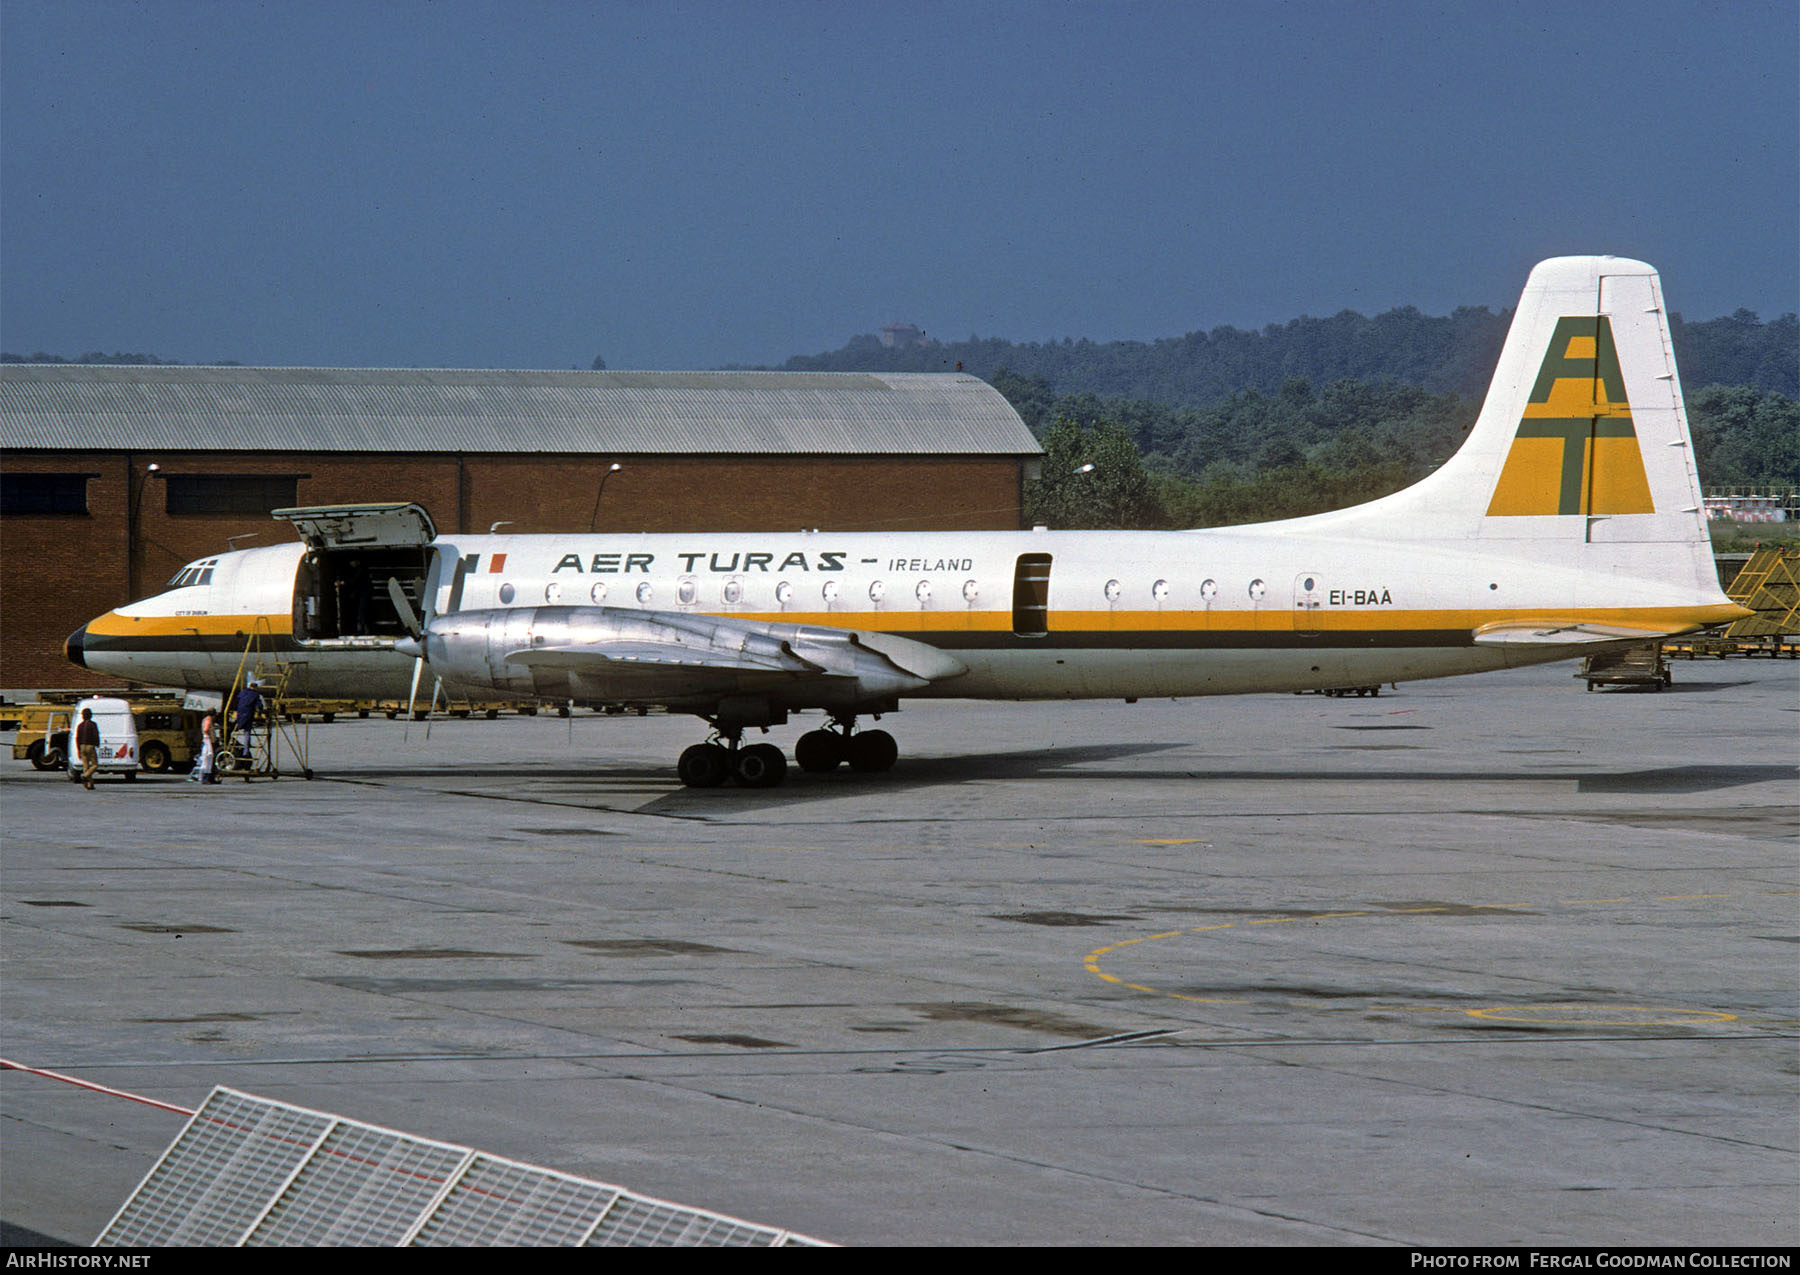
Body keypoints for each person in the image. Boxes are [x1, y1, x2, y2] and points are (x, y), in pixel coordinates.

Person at [232, 679, 263, 766]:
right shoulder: (255, 695)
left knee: (235, 729)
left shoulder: (242, 692)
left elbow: (236, 700)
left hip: (240, 715)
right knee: (247, 733)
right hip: (248, 715)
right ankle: (246, 751)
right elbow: (259, 705)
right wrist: (261, 711)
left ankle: (230, 741)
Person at [75, 707, 101, 791]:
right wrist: (97, 744)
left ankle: (90, 784)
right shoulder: (93, 724)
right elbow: (95, 735)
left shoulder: (80, 725)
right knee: (94, 765)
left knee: (85, 765)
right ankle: (85, 776)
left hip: (82, 746)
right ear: (90, 715)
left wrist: (78, 749)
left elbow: (77, 738)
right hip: (90, 746)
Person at [188, 710, 216, 784]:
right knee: (208, 759)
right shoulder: (208, 719)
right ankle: (205, 778)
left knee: (206, 759)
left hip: (207, 741)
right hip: (208, 741)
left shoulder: (205, 719)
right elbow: (206, 729)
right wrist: (209, 736)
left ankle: (206, 778)